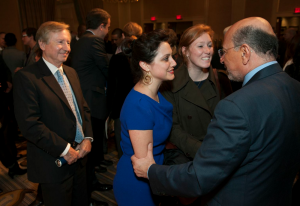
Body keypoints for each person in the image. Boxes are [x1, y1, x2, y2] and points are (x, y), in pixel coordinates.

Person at [131, 17, 300, 206]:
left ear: (245, 52)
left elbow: (199, 177)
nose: (220, 58)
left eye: (224, 51)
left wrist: (150, 171)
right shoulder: (294, 87)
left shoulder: (238, 103)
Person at [13, 21, 93, 206]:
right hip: (54, 161)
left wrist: (88, 137)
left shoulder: (71, 72)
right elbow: (30, 124)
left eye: (68, 42)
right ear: (42, 44)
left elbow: (83, 108)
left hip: (80, 158)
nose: (67, 48)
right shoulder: (27, 78)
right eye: (60, 42)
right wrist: (65, 150)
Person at [160, 24, 231, 206]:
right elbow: (172, 129)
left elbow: (228, 120)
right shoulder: (170, 82)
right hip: (187, 159)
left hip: (218, 157)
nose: (208, 51)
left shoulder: (220, 79)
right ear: (185, 51)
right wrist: (202, 151)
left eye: (209, 45)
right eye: (200, 46)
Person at [113, 30, 176, 206]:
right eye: (166, 58)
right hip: (139, 184)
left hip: (153, 176)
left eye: (172, 56)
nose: (174, 62)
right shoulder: (139, 105)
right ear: (145, 65)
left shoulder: (155, 93)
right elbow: (143, 165)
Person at [71, 8, 113, 206]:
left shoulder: (81, 40)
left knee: (89, 145)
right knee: (89, 145)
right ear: (102, 26)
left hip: (84, 96)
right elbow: (106, 68)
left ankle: (91, 182)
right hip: (92, 99)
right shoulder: (94, 41)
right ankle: (88, 189)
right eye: (108, 27)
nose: (107, 32)